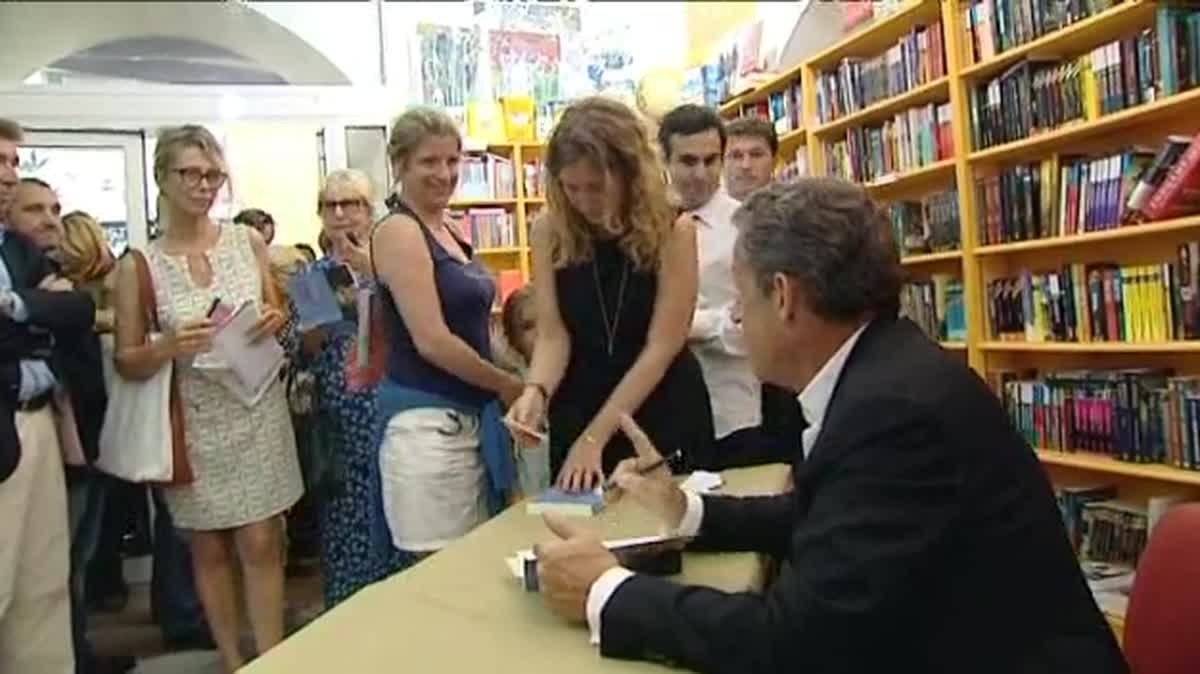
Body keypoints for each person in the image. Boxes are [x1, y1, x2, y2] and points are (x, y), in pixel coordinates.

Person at [532, 178, 1130, 674]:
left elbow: (794, 644)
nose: (736, 316)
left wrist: (608, 590)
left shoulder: (894, 413)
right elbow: (835, 518)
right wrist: (688, 511)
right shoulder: (887, 370)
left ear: (784, 297)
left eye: (742, 297)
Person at [113, 125, 302, 673]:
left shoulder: (247, 242)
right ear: (162, 179)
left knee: (264, 538)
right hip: (193, 418)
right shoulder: (140, 265)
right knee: (209, 547)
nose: (203, 185)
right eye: (190, 174)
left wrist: (271, 319)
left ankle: (271, 655)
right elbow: (127, 357)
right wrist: (169, 344)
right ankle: (230, 657)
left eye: (212, 174)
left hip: (256, 404)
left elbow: (274, 309)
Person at [506, 96, 712, 491]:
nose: (583, 201)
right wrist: (536, 391)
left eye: (597, 187)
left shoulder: (674, 228)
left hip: (657, 404)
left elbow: (662, 347)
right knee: (578, 536)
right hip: (579, 406)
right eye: (571, 188)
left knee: (666, 532)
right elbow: (553, 335)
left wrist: (595, 438)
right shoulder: (550, 231)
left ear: (630, 175)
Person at [372, 107, 522, 560]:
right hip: (428, 428)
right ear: (400, 165)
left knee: (476, 564)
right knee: (441, 571)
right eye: (429, 162)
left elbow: (475, 324)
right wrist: (506, 385)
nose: (444, 174)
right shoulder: (400, 231)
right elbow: (432, 340)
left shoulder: (450, 228)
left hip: (470, 419)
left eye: (453, 161)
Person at [0, 117, 94, 674]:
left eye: (14, 163)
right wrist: (39, 311)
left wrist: (17, 307)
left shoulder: (16, 248)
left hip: (38, 425)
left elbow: (77, 310)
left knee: (44, 590)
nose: (9, 176)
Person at [284, 169, 401, 606]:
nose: (340, 213)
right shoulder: (311, 273)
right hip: (338, 412)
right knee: (345, 515)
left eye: (350, 203)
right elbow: (301, 346)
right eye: (331, 205)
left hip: (390, 402)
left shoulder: (393, 261)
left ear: (368, 211)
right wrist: (314, 323)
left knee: (396, 504)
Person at [658, 104, 793, 469]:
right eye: (688, 161)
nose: (701, 174)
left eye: (711, 160)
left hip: (731, 412)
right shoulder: (648, 228)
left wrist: (680, 326)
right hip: (660, 413)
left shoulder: (746, 227)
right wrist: (711, 321)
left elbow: (750, 329)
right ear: (664, 160)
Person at [499, 285, 550, 496]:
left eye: (545, 322)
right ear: (514, 338)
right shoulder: (516, 383)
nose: (540, 333)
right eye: (528, 326)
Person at [722, 117, 777, 201]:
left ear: (774, 162)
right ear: (721, 163)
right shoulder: (702, 213)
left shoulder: (797, 211)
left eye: (756, 155)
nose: (746, 165)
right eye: (736, 156)